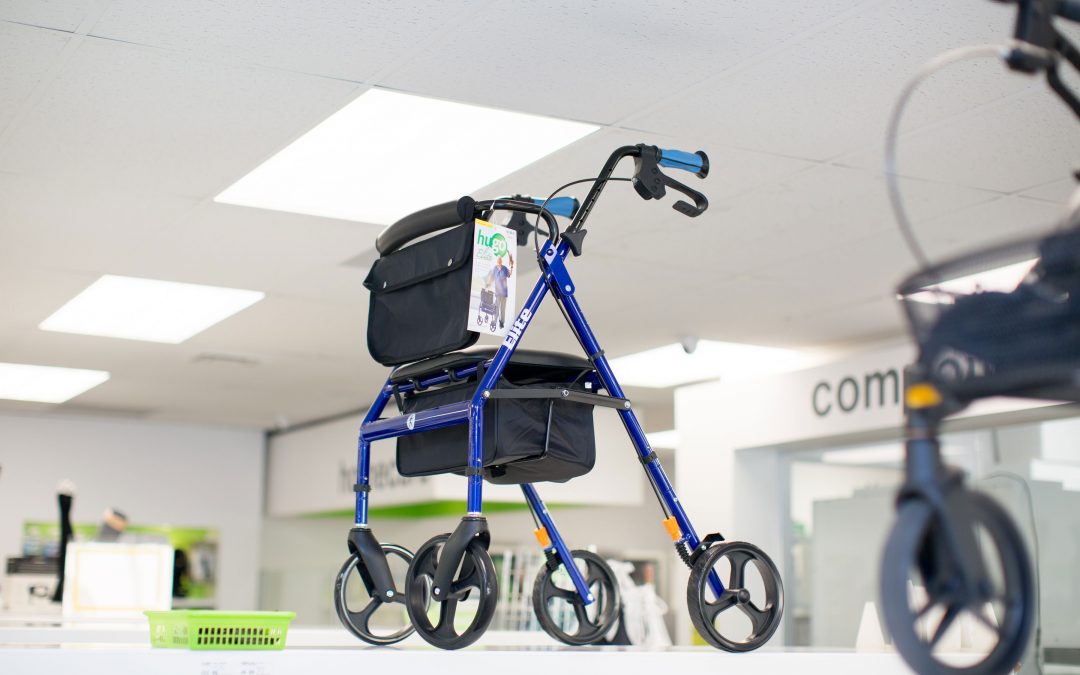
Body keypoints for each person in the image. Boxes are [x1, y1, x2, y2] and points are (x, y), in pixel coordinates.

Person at [485, 254, 513, 328]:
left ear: (501, 261)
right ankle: (495, 321)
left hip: (504, 292)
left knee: (503, 308)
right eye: (498, 260)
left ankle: (502, 322)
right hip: (497, 292)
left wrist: (512, 266)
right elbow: (492, 278)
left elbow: (509, 274)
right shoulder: (495, 268)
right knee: (496, 307)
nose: (499, 261)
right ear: (497, 261)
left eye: (500, 260)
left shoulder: (504, 268)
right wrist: (488, 284)